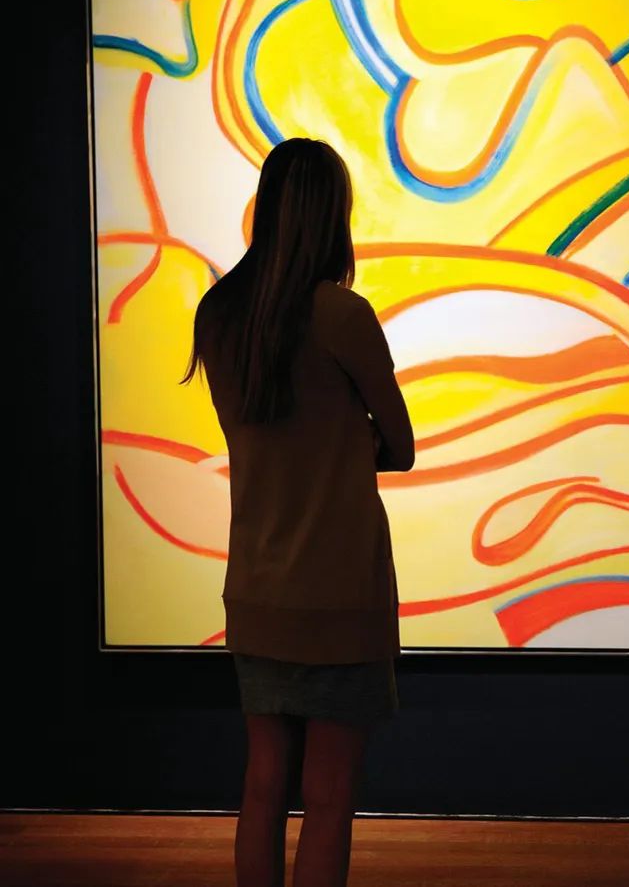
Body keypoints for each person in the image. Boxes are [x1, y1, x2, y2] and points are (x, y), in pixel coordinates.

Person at [184, 137, 415, 887]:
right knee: (329, 795)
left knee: (261, 784)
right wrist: (350, 443)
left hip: (256, 585)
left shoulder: (219, 315)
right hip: (339, 591)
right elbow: (402, 445)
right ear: (332, 218)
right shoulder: (343, 316)